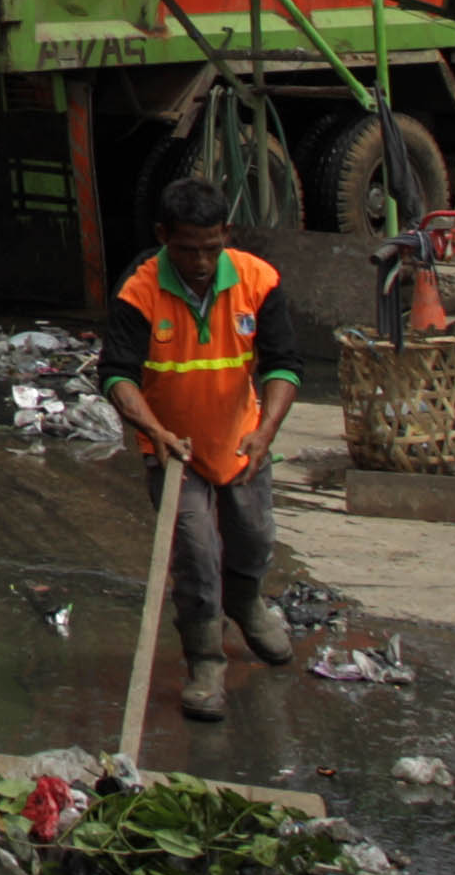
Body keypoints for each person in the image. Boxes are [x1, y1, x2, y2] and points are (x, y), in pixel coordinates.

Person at [99, 176, 304, 719]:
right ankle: (205, 661)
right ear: (164, 236)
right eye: (187, 249)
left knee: (253, 535)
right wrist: (154, 431)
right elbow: (117, 375)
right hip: (172, 448)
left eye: (211, 249)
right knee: (195, 554)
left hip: (239, 438)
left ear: (226, 235)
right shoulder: (139, 290)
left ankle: (245, 600)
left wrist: (266, 432)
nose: (199, 262)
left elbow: (284, 363)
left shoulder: (258, 281)